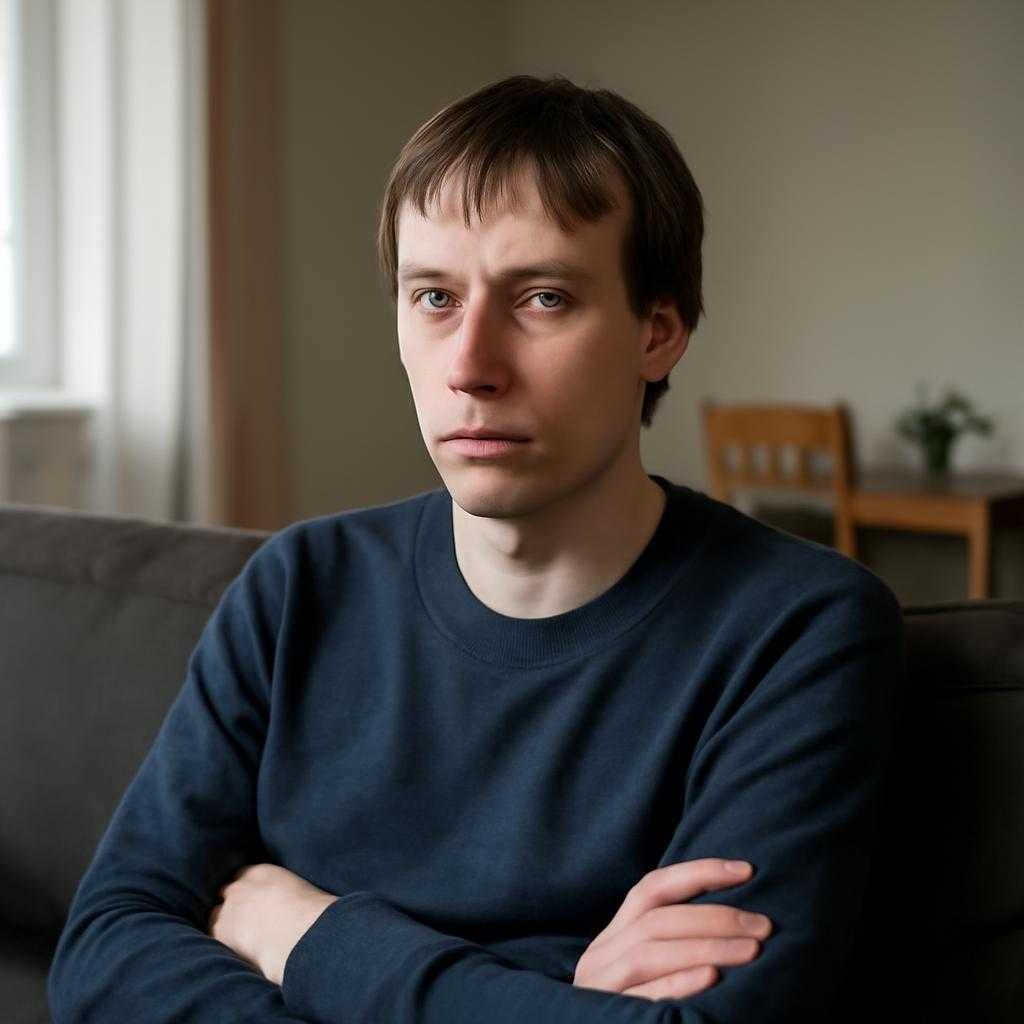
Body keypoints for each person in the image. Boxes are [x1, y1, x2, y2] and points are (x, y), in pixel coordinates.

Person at [47, 74, 906, 1023]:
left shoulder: (800, 630)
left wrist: (301, 933)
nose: (470, 366)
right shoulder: (296, 589)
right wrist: (548, 1001)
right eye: (434, 297)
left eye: (542, 298)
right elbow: (103, 950)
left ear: (658, 333)